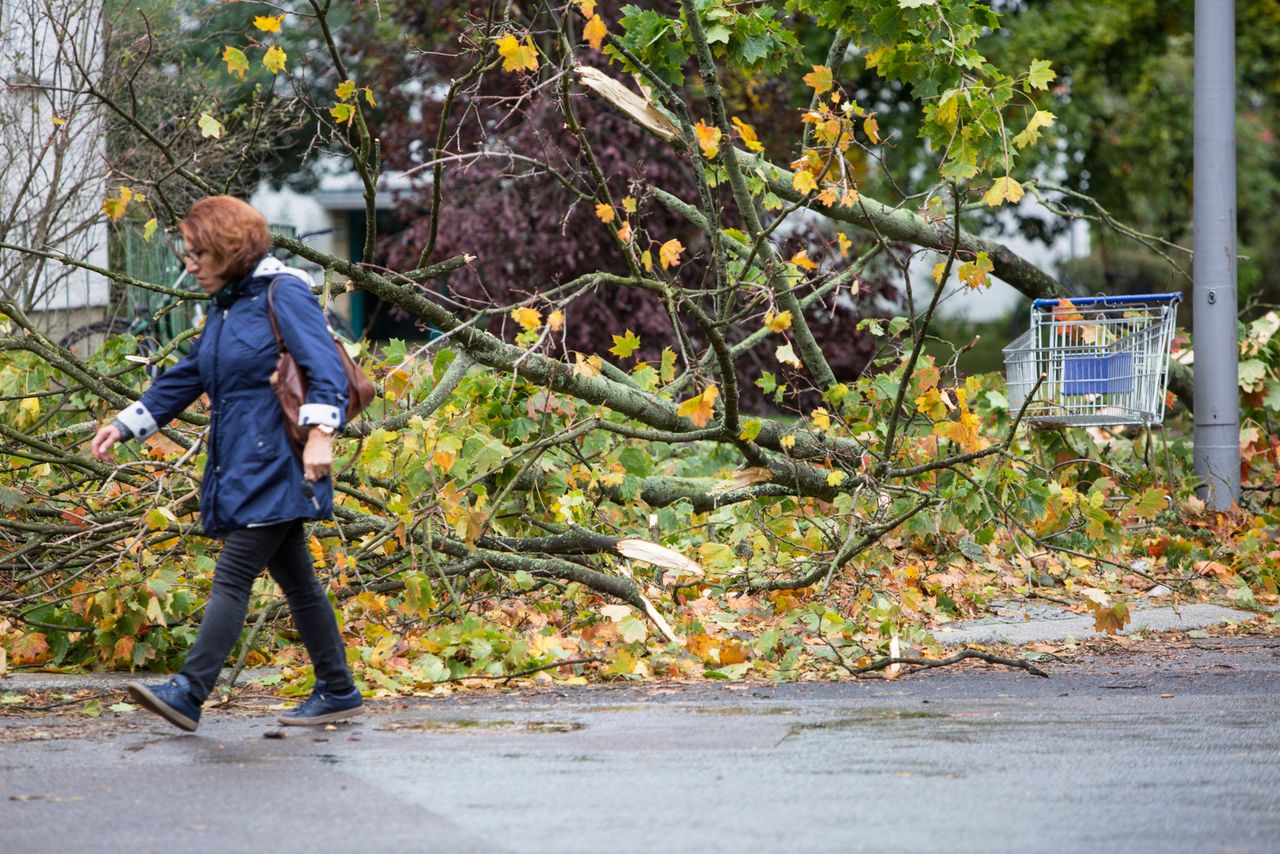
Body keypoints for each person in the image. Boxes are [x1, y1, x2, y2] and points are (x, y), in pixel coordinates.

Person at [92, 196, 363, 731]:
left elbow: (326, 368)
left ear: (229, 250)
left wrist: (320, 437)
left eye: (198, 253)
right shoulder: (229, 304)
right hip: (244, 460)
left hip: (280, 461)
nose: (188, 264)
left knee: (235, 572)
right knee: (300, 583)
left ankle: (190, 693)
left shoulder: (283, 293)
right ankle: (338, 688)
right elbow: (193, 372)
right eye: (187, 253)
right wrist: (128, 423)